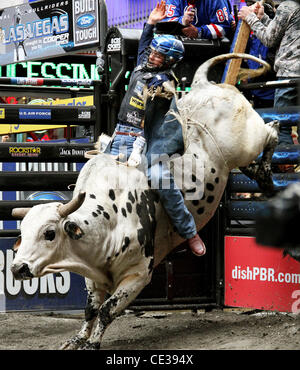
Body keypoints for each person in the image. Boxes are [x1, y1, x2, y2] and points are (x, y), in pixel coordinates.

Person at [107, 1, 206, 257]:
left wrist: (162, 94)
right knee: (97, 174)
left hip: (145, 141)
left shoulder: (165, 81)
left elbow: (167, 107)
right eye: (152, 52)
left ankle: (189, 232)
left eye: (158, 55)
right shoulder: (142, 66)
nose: (152, 56)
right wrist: (150, 23)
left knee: (164, 183)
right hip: (120, 135)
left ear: (168, 61)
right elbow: (143, 44)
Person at [239, 0, 300, 146]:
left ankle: (283, 167)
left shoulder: (289, 6)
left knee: (281, 127)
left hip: (289, 75)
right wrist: (263, 18)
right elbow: (283, 31)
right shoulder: (291, 7)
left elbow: (269, 39)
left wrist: (250, 17)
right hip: (291, 74)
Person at [164, 0, 234, 40]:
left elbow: (224, 28)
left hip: (211, 48)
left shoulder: (216, 1)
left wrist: (199, 32)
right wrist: (182, 21)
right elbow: (166, 23)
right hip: (180, 46)